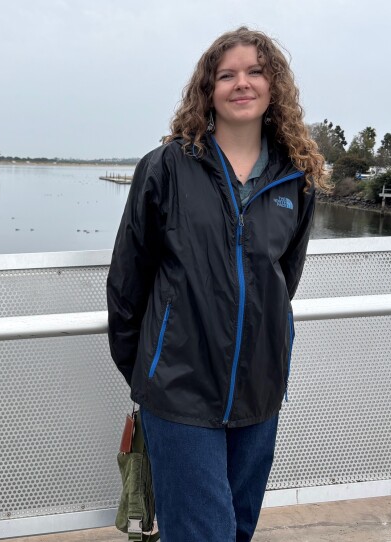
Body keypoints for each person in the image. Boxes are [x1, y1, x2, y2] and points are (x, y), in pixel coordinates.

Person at [106, 27, 328, 541]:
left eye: (255, 72)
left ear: (275, 86)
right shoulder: (165, 167)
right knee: (204, 533)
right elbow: (128, 281)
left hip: (260, 390)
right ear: (208, 90)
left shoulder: (295, 177)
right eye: (226, 75)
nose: (241, 83)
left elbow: (282, 280)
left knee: (238, 529)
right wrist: (148, 370)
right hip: (179, 391)